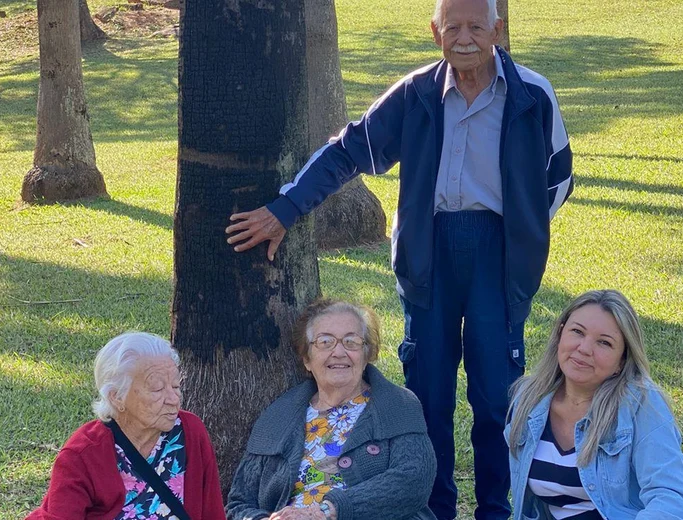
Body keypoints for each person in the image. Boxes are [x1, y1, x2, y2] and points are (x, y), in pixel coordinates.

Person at [225, 0, 572, 517]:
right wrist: (284, 210)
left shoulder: (532, 94)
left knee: (496, 396)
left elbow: (559, 176)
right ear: (435, 33)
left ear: (498, 31)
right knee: (427, 394)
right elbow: (346, 151)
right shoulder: (416, 93)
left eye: (477, 26)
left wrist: (522, 229)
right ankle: (433, 509)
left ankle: (497, 510)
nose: (465, 38)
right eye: (452, 27)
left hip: (497, 261)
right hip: (428, 256)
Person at [505, 290, 683, 520]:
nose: (585, 349)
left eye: (604, 343)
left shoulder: (641, 404)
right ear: (560, 333)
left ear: (622, 361)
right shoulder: (528, 399)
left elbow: (672, 497)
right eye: (577, 331)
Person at [225, 299, 437, 520]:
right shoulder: (279, 416)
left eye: (351, 341)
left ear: (367, 355)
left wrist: (327, 512)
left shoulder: (397, 404)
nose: (339, 352)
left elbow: (414, 480)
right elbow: (239, 503)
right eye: (325, 342)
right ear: (306, 358)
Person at [27, 332, 225, 520]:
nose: (174, 399)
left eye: (176, 386)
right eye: (157, 389)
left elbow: (212, 512)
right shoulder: (83, 455)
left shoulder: (190, 431)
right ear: (117, 397)